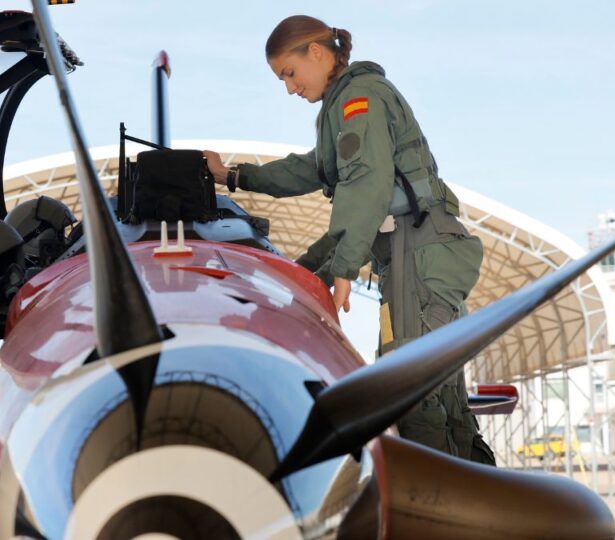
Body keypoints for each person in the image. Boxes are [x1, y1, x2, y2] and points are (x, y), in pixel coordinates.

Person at [203, 15, 494, 464]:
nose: (289, 87)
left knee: (411, 396)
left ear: (316, 53)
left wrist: (341, 269)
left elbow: (367, 184)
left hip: (418, 253)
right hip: (412, 255)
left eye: (289, 73)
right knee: (437, 400)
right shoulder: (339, 108)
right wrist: (233, 175)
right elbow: (308, 169)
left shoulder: (359, 98)